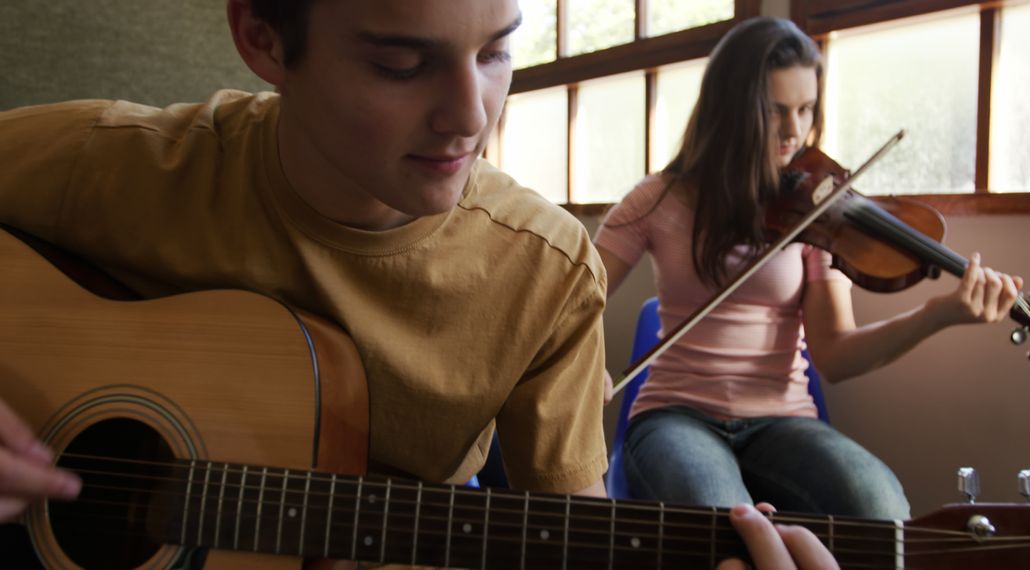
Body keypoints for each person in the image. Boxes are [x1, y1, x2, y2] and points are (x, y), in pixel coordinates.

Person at [0, 1, 839, 568]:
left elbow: (583, 536)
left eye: (499, 50)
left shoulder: (542, 272)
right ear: (261, 37)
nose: (473, 116)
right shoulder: (103, 166)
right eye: (402, 64)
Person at [595, 16, 1022, 520]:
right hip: (675, 417)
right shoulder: (659, 198)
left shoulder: (817, 209)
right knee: (724, 525)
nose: (794, 131)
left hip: (782, 422)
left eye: (805, 109)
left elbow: (835, 355)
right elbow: (569, 297)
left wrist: (939, 313)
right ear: (731, 110)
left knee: (882, 508)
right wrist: (583, 368)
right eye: (775, 111)